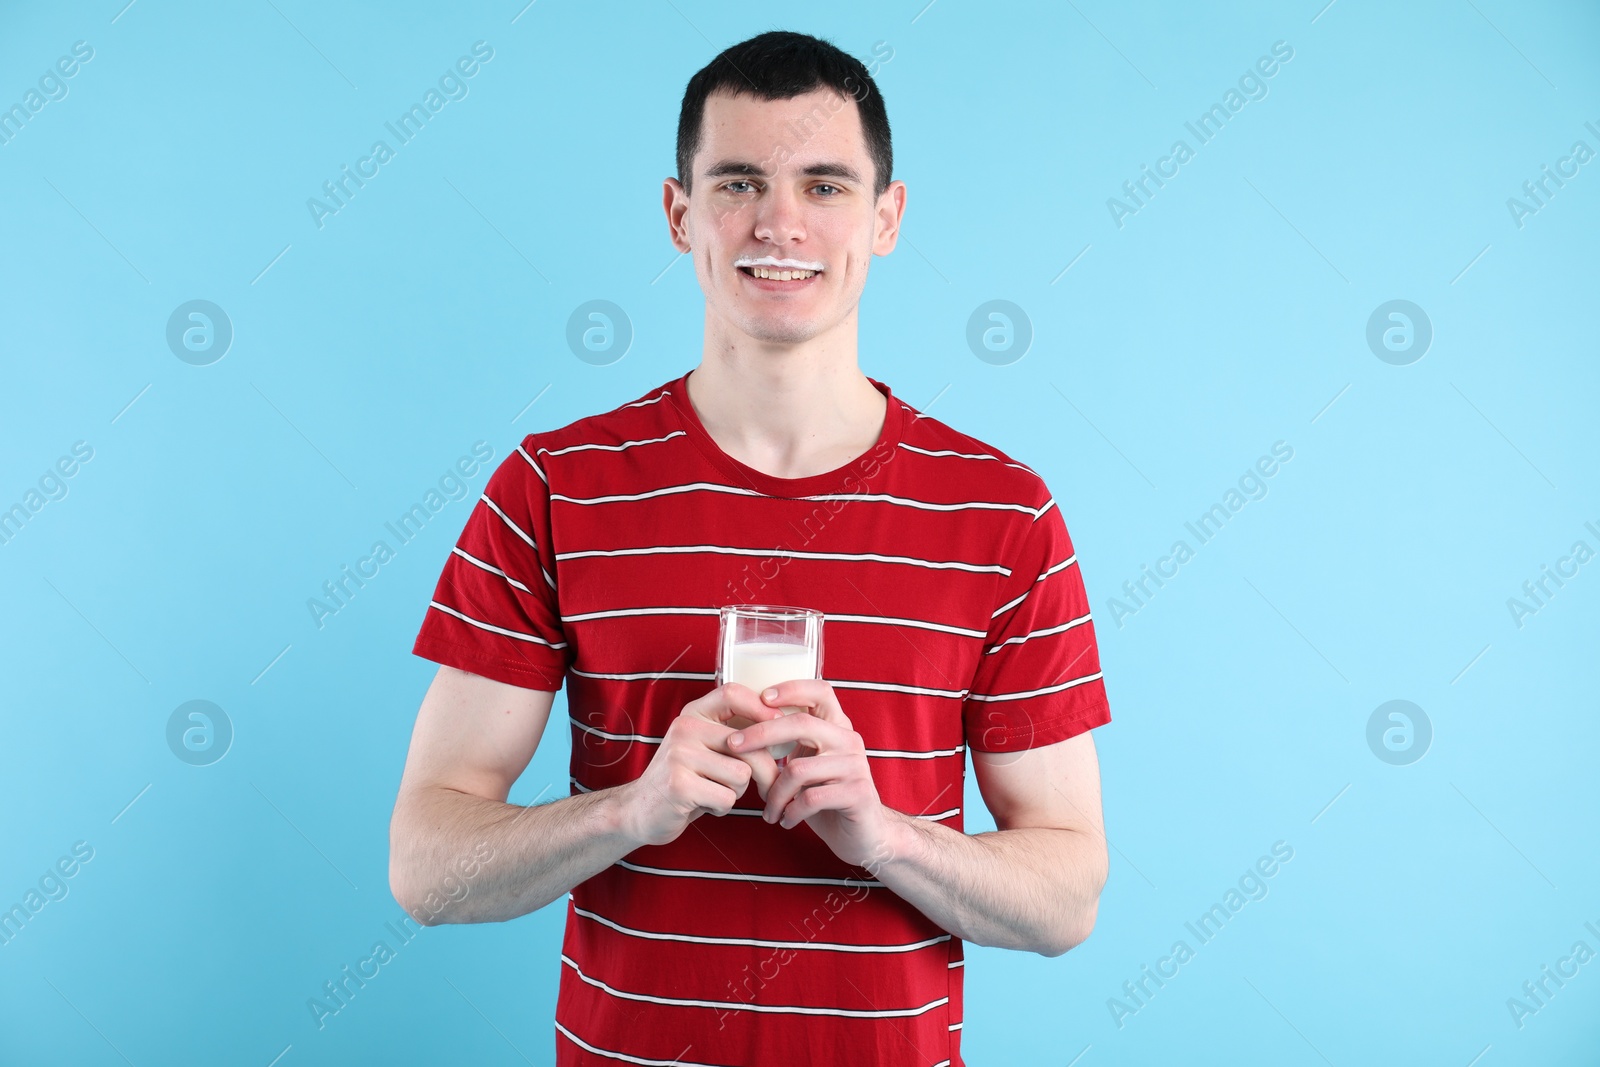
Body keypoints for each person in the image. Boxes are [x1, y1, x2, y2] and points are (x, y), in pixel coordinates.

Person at [389, 29, 1111, 1066]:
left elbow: (1064, 897)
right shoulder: (555, 486)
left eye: (824, 184)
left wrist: (884, 833)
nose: (779, 223)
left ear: (886, 217)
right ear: (680, 215)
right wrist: (633, 809)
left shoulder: (1001, 515)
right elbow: (426, 866)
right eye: (738, 181)